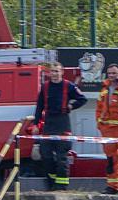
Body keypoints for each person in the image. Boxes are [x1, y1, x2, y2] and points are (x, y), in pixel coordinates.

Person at [30, 61, 86, 191]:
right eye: (52, 71)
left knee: (62, 157)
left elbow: (82, 99)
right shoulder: (45, 87)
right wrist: (36, 125)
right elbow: (39, 107)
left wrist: (71, 106)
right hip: (49, 123)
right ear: (49, 73)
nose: (54, 74)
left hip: (63, 123)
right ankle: (52, 183)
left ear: (62, 72)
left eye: (57, 71)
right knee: (46, 155)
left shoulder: (68, 86)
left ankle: (61, 186)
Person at [98, 64, 118, 194]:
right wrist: (100, 124)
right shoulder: (104, 88)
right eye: (109, 73)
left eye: (114, 73)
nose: (111, 75)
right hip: (108, 129)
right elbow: (99, 108)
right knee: (110, 160)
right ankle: (113, 186)